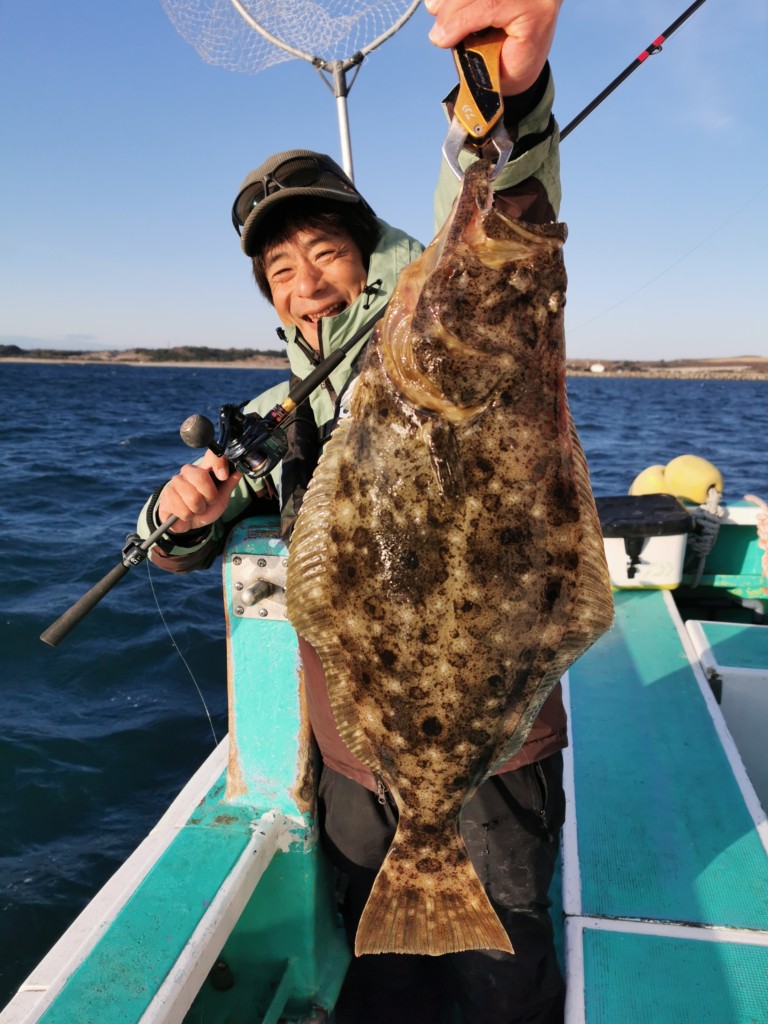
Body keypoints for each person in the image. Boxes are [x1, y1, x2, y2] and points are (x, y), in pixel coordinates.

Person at [137, 3, 567, 1021]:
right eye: (279, 271)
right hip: (354, 757)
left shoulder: (438, 324)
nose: (306, 284)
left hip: (489, 742)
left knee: (501, 971)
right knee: (385, 979)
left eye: (323, 252)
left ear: (370, 252)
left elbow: (493, 223)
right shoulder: (284, 415)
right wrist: (181, 515)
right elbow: (171, 543)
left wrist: (500, 100)